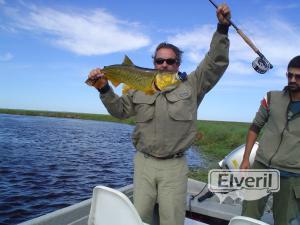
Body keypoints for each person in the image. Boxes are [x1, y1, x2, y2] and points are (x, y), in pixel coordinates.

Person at [88, 4, 231, 225]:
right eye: (159, 61)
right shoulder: (138, 87)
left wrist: (222, 29)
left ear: (178, 64)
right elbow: (120, 111)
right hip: (143, 163)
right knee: (139, 218)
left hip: (174, 167)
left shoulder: (192, 85)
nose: (164, 65)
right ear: (154, 63)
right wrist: (103, 88)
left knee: (172, 220)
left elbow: (215, 63)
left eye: (170, 61)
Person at [240, 56, 300, 225]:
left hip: (293, 175)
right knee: (248, 216)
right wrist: (245, 159)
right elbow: (255, 127)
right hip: (261, 166)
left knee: (285, 221)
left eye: (298, 77)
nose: (293, 80)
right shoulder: (271, 98)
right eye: (290, 75)